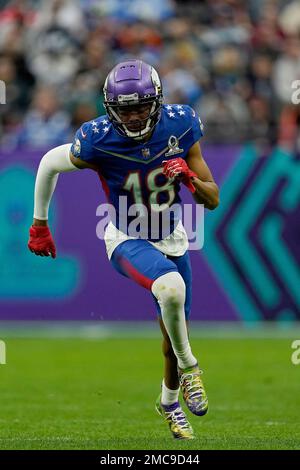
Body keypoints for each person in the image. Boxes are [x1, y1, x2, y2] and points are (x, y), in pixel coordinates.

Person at [28, 59, 219, 440]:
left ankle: (168, 402)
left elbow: (212, 199)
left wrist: (190, 177)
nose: (132, 117)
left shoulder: (180, 124)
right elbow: (50, 162)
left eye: (140, 107)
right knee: (170, 289)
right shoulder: (97, 137)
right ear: (110, 108)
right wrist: (39, 224)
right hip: (126, 237)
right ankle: (192, 368)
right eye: (124, 108)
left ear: (158, 102)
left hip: (172, 236)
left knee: (170, 334)